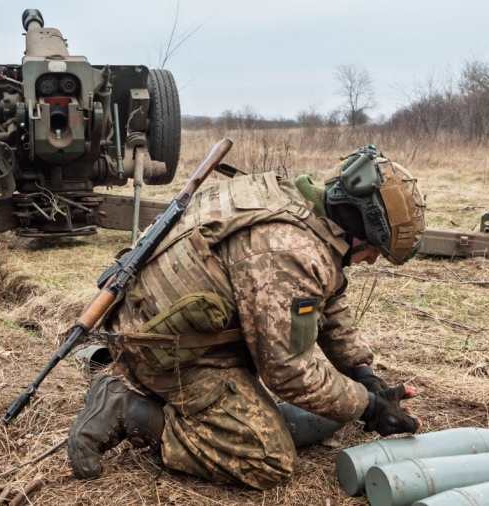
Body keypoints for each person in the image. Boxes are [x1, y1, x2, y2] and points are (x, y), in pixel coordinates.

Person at [68, 145, 427, 489]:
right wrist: (367, 406)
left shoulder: (293, 202)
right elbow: (287, 372)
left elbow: (327, 296)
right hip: (163, 353)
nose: (371, 260)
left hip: (158, 324)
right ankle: (128, 410)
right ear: (357, 226)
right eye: (373, 249)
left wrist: (361, 371)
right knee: (269, 459)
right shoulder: (289, 251)